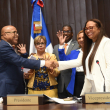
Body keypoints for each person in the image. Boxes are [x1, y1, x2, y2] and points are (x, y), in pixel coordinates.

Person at [56, 19, 110, 95]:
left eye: (91, 28)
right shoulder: (90, 45)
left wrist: (107, 89)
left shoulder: (106, 42)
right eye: (86, 29)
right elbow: (79, 62)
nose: (88, 31)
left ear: (99, 29)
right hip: (91, 88)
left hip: (103, 87)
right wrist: (56, 64)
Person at [0, 25, 55, 97]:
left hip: (14, 86)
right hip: (9, 88)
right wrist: (44, 62)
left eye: (17, 33)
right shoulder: (3, 46)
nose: (17, 35)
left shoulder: (6, 46)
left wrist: (21, 74)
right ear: (5, 35)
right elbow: (19, 61)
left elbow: (11, 65)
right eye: (14, 32)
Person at [53, 25, 79, 98]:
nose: (66, 33)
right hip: (60, 82)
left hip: (74, 82)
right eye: (64, 31)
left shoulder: (78, 44)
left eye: (68, 31)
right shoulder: (56, 47)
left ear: (72, 34)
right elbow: (53, 61)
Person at [58, 30, 84, 97]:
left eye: (83, 37)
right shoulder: (74, 52)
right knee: (78, 104)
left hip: (90, 79)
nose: (81, 40)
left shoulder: (94, 51)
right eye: (79, 38)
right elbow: (64, 61)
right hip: (76, 79)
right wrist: (61, 45)